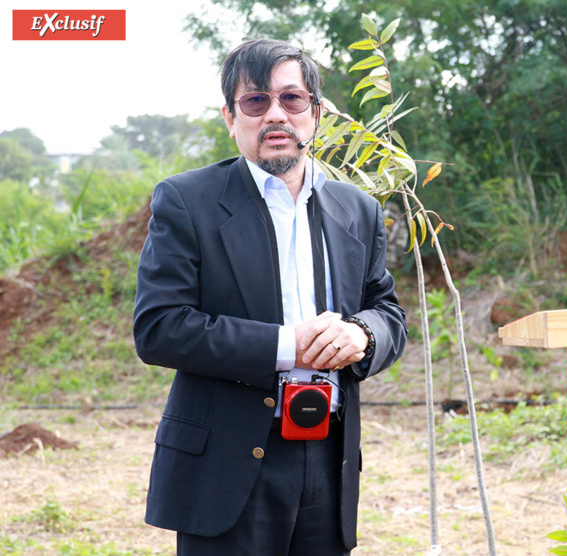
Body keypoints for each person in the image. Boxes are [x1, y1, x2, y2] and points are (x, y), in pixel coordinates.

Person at [133, 38, 408, 555]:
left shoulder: (359, 210)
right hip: (225, 465)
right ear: (230, 118)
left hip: (328, 460)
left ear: (317, 113)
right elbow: (159, 328)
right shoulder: (187, 202)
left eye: (292, 99)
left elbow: (388, 312)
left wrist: (363, 333)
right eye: (255, 101)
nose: (275, 115)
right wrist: (288, 346)